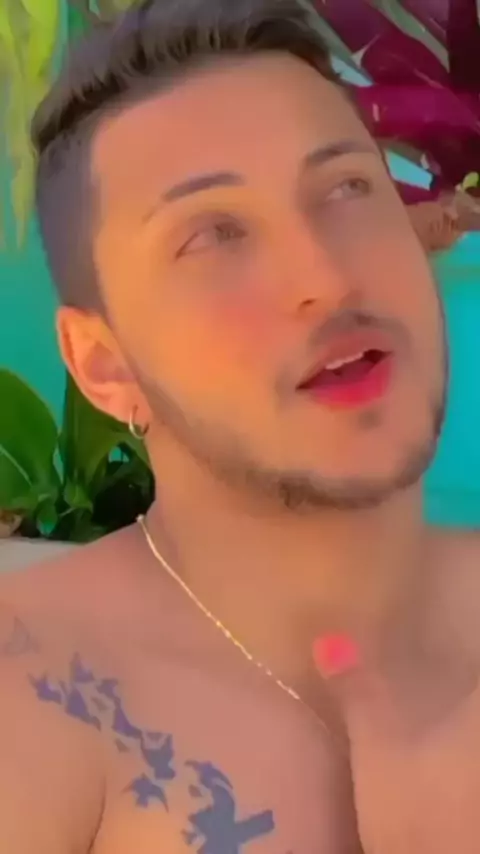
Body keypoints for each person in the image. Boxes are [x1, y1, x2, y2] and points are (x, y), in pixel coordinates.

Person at [1, 0, 480, 850]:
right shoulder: (32, 698)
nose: (325, 277)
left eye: (346, 188)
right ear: (105, 365)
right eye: (213, 236)